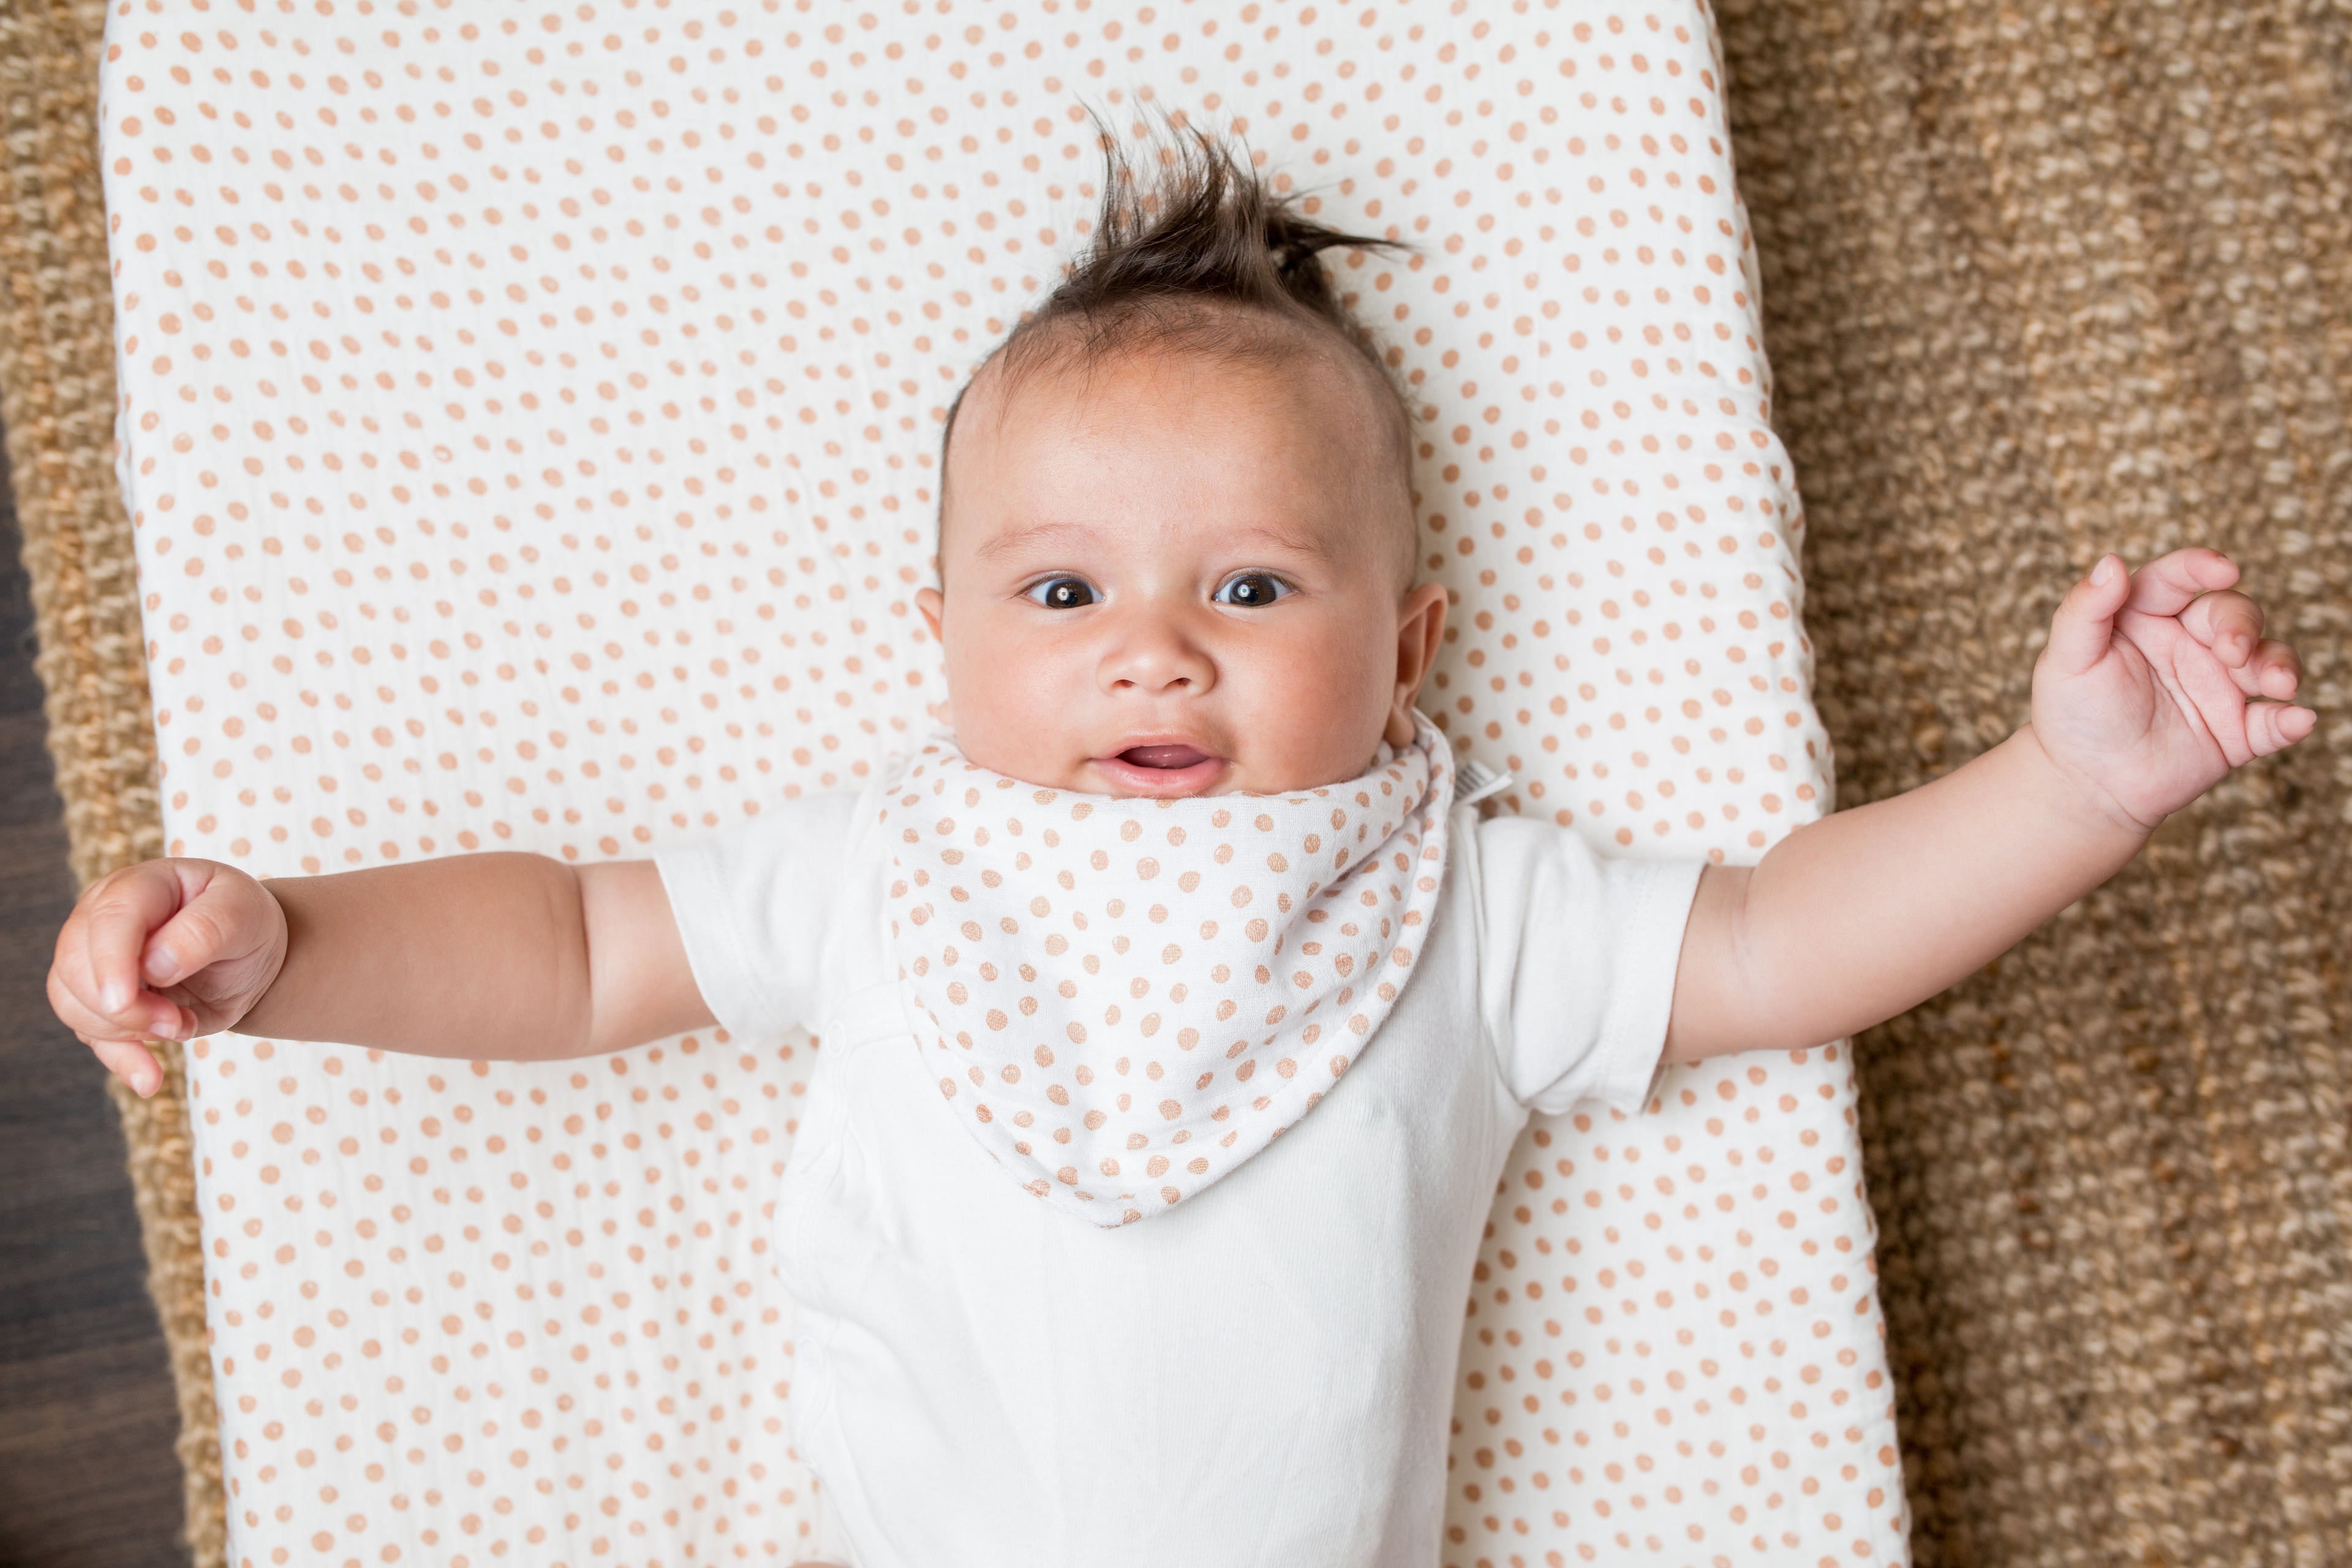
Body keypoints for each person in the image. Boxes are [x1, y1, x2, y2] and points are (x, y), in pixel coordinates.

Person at [47, 127, 2313, 1567]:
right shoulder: (884, 867)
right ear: (934, 638)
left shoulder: (1466, 904)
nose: (1155, 657)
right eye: (1062, 597)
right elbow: (559, 946)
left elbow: (1788, 940)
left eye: (1250, 590)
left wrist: (2069, 787)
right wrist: (290, 943)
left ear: (1410, 646)